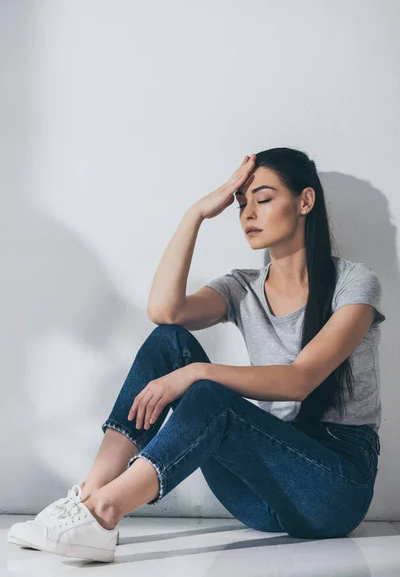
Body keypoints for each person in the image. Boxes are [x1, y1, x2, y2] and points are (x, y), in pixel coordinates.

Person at [8, 148, 385, 563]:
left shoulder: (354, 284)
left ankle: (103, 514)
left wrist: (197, 373)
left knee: (210, 394)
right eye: (241, 205)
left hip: (331, 487)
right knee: (169, 339)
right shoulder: (242, 287)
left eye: (263, 199)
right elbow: (164, 312)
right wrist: (196, 214)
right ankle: (88, 497)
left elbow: (301, 379)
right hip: (258, 493)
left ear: (304, 201)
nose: (248, 214)